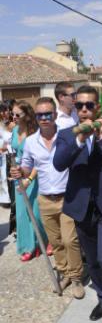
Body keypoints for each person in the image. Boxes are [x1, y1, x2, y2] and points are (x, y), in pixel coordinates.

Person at [53, 85, 102, 323]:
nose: (84, 110)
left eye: (90, 105)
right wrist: (79, 139)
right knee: (93, 261)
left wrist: (101, 138)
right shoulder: (66, 134)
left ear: (97, 108)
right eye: (80, 106)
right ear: (75, 108)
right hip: (83, 208)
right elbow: (59, 163)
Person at [15, 97, 85, 298]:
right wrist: (20, 171)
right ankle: (63, 273)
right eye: (40, 115)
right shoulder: (30, 141)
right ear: (35, 117)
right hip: (45, 198)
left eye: (48, 114)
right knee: (55, 241)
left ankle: (77, 277)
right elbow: (28, 165)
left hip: (67, 197)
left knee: (70, 239)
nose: (44, 118)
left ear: (55, 115)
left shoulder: (66, 137)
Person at [11, 101, 47, 262]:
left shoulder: (35, 134)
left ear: (27, 115)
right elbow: (13, 153)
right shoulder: (14, 130)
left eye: (18, 114)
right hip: (18, 176)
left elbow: (38, 161)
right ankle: (28, 247)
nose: (14, 117)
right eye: (13, 113)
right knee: (21, 214)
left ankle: (42, 242)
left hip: (32, 176)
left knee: (35, 213)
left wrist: (29, 179)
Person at [3, 99, 16, 236]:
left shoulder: (15, 125)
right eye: (4, 110)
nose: (6, 112)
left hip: (12, 160)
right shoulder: (2, 125)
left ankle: (15, 225)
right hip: (3, 161)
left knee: (14, 193)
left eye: (8, 110)